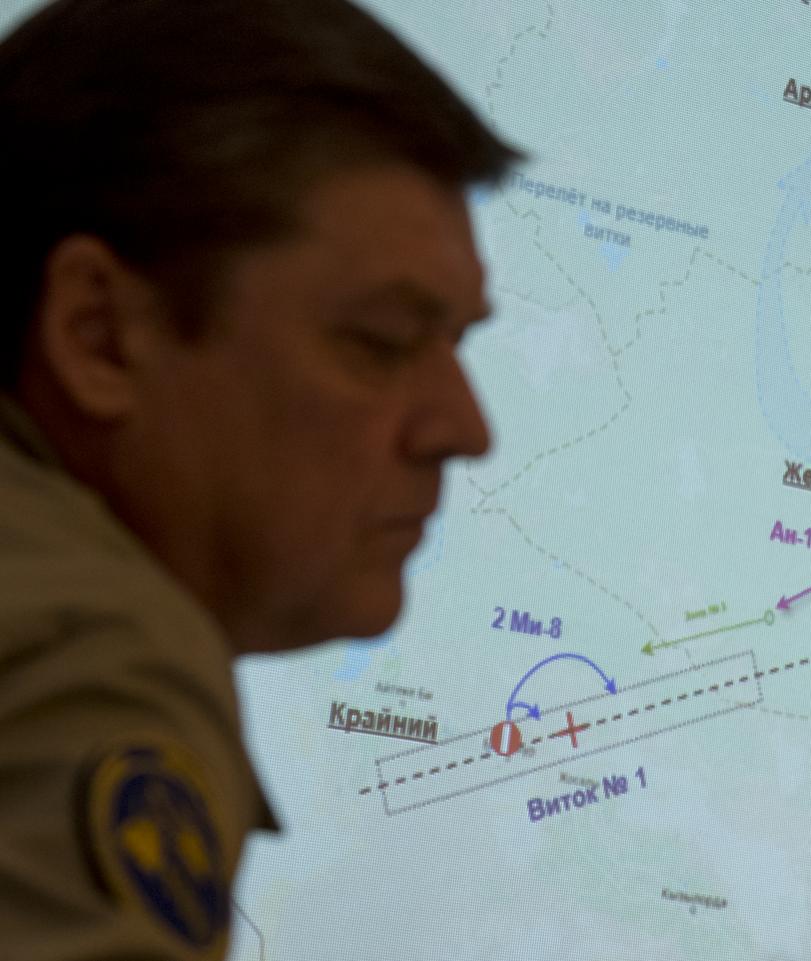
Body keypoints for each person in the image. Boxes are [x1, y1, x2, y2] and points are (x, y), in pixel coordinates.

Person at [0, 0, 519, 957]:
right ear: (97, 335)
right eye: (381, 340)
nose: (465, 428)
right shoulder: (100, 650)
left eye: (455, 342)